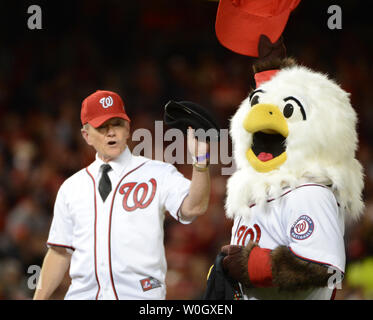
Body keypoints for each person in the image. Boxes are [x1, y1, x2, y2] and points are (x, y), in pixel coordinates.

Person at [33, 90, 211, 300]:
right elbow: (59, 252)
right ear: (86, 135)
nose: (111, 132)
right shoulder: (72, 187)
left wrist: (200, 162)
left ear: (128, 128)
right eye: (102, 126)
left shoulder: (158, 173)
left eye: (116, 123)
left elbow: (194, 207)